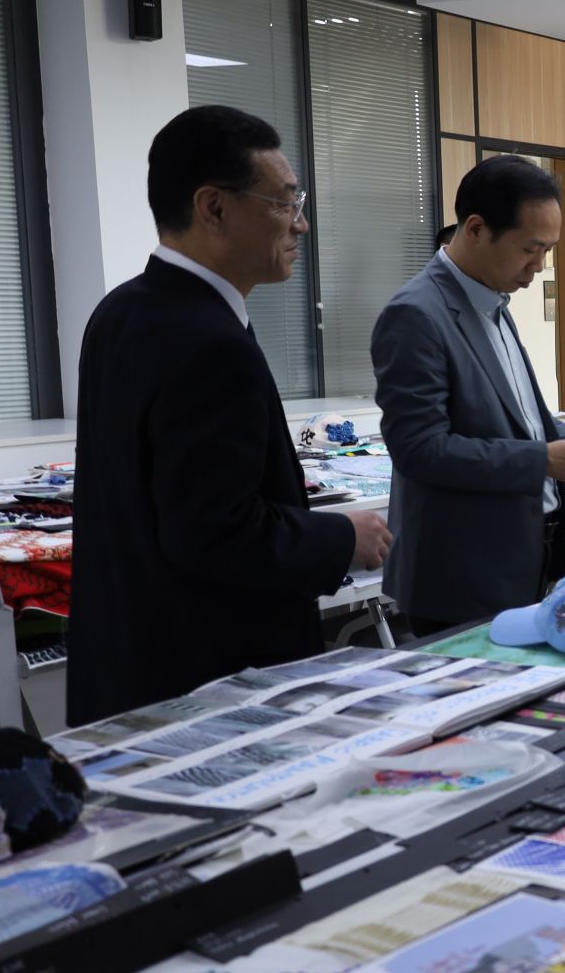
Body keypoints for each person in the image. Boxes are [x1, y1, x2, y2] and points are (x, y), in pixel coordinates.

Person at [68, 106, 390, 724]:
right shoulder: (209, 341)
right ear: (213, 207)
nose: (301, 224)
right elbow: (214, 532)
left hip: (131, 666)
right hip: (212, 683)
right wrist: (342, 537)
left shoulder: (121, 311)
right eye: (284, 202)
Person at [373, 157, 565, 633]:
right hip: (461, 574)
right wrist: (545, 459)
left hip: (526, 558)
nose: (539, 267)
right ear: (477, 229)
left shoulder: (492, 302)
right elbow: (420, 450)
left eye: (548, 250)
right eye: (530, 249)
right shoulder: (416, 315)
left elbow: (525, 418)